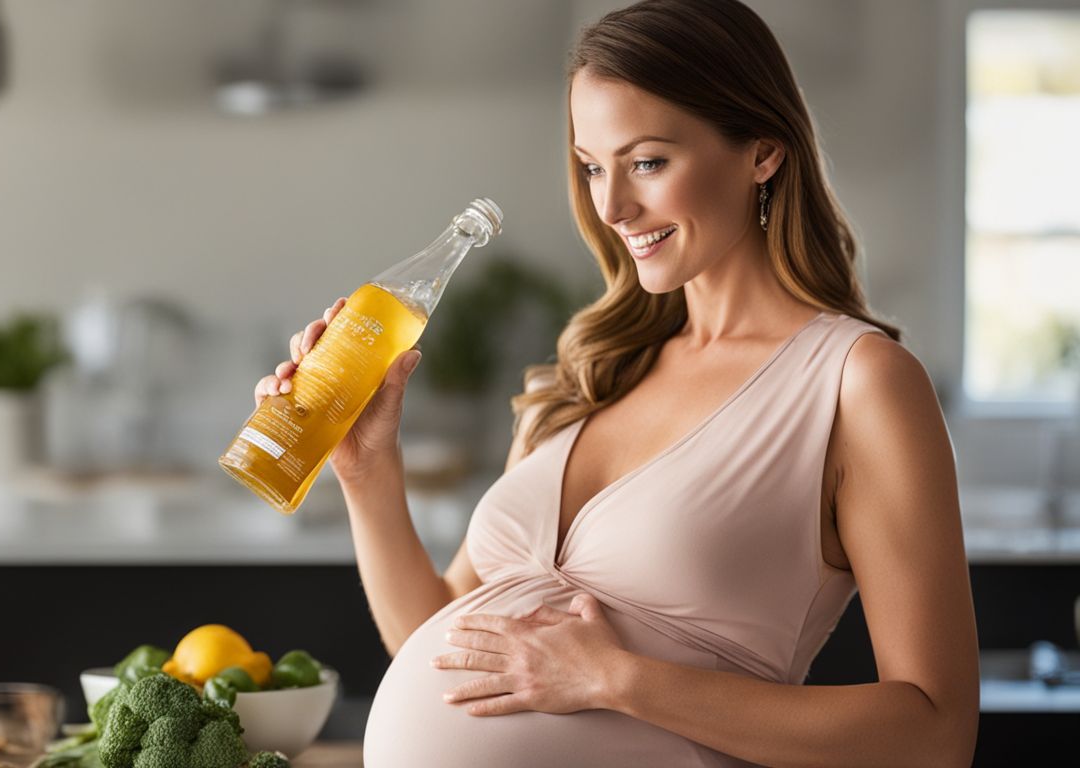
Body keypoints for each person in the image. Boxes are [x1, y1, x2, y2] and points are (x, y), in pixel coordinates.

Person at [254, 1, 979, 765]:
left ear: (763, 152)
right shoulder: (589, 373)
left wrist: (619, 679)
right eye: (594, 166)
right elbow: (448, 645)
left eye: (648, 162)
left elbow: (934, 732)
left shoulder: (856, 383)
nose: (611, 206)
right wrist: (369, 471)